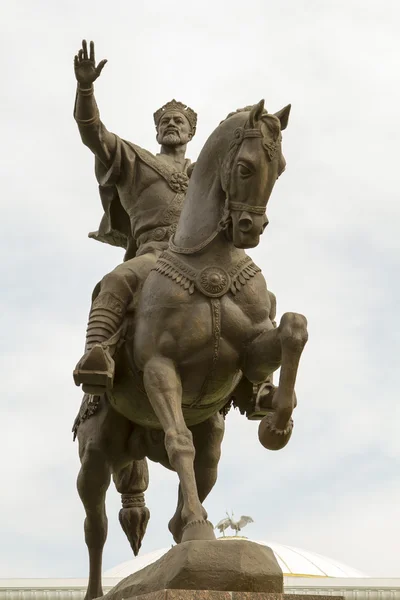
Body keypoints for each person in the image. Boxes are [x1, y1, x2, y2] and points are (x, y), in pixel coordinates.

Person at [72, 40, 197, 394]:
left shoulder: (203, 174)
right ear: (157, 131)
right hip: (156, 256)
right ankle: (97, 354)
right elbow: (92, 132)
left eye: (179, 121)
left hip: (203, 258)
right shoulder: (134, 158)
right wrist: (85, 87)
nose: (172, 125)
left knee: (259, 297)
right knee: (115, 281)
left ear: (191, 133)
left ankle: (259, 383)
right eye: (166, 121)